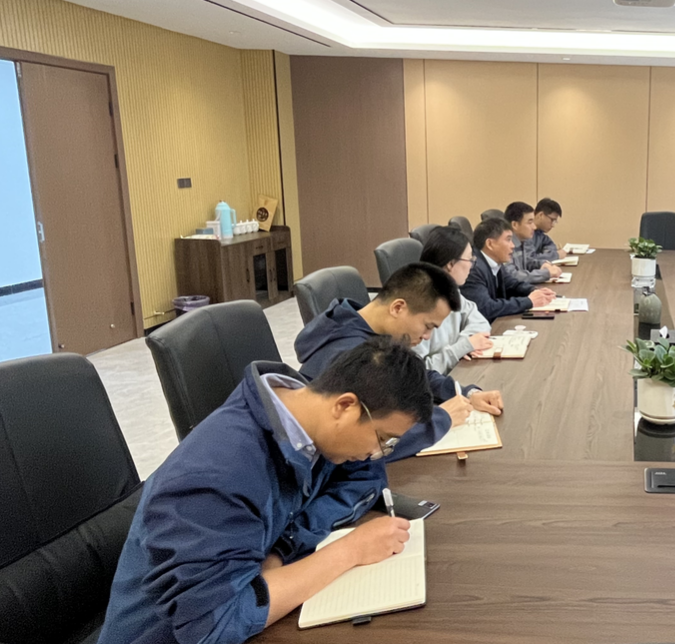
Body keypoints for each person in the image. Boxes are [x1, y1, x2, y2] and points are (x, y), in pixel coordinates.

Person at [98, 337, 425, 644]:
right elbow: (215, 625)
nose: (375, 453)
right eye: (382, 439)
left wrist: (283, 547)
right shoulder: (218, 473)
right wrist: (350, 551)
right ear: (345, 406)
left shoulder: (306, 420)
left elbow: (363, 479)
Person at [294, 262, 503, 457]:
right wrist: (442, 419)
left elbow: (413, 377)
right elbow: (366, 441)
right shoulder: (349, 354)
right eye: (428, 326)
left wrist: (466, 393)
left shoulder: (365, 327)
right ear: (397, 308)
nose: (427, 336)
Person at [417, 225, 495, 374]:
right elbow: (418, 372)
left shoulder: (451, 290)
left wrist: (463, 345)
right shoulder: (419, 305)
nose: (472, 266)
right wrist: (461, 348)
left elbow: (480, 322)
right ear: (451, 264)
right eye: (469, 259)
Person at [462, 216, 556, 321]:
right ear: (490, 244)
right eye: (508, 240)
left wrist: (535, 291)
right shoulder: (473, 269)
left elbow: (512, 285)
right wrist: (529, 301)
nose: (513, 246)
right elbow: (485, 308)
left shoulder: (495, 262)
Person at [504, 200, 563, 284]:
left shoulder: (523, 241)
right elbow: (513, 277)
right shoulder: (504, 245)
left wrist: (542, 264)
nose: (534, 227)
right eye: (530, 222)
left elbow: (528, 262)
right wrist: (546, 273)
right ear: (515, 225)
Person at [527, 197, 563, 263]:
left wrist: (547, 253)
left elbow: (551, 245)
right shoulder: (525, 233)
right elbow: (530, 259)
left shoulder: (539, 233)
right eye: (552, 220)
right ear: (541, 215)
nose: (553, 225)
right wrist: (556, 255)